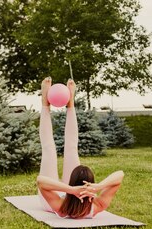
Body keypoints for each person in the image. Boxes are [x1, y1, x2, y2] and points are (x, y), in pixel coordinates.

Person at [37, 77, 124, 219]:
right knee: (71, 148)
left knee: (49, 150)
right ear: (90, 186)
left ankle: (45, 104)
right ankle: (70, 104)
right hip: (65, 190)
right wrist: (98, 187)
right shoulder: (97, 206)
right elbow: (120, 174)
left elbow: (41, 181)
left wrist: (71, 190)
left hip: (53, 191)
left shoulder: (61, 207)